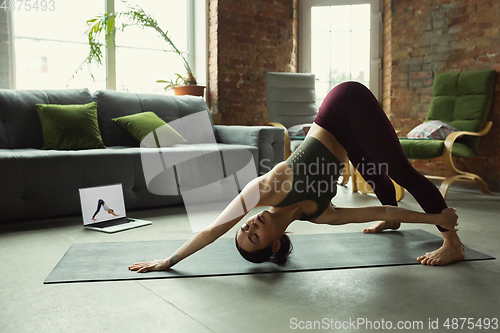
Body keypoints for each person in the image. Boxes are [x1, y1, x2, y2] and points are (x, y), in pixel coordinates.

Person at [129, 82, 464, 273]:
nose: (249, 225)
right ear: (275, 243)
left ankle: (452, 242)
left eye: (245, 228)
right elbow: (383, 211)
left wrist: (169, 261)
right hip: (348, 137)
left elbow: (213, 229)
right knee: (374, 172)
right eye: (254, 236)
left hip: (343, 105)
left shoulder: (265, 190)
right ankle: (421, 229)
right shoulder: (321, 215)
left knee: (397, 170)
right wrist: (431, 215)